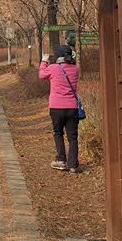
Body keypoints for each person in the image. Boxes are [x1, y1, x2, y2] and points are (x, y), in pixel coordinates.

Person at [39, 44, 81, 173]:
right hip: (72, 107)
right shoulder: (76, 69)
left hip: (56, 107)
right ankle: (73, 164)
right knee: (72, 137)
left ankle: (61, 160)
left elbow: (42, 75)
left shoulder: (53, 68)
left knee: (58, 133)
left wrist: (44, 61)